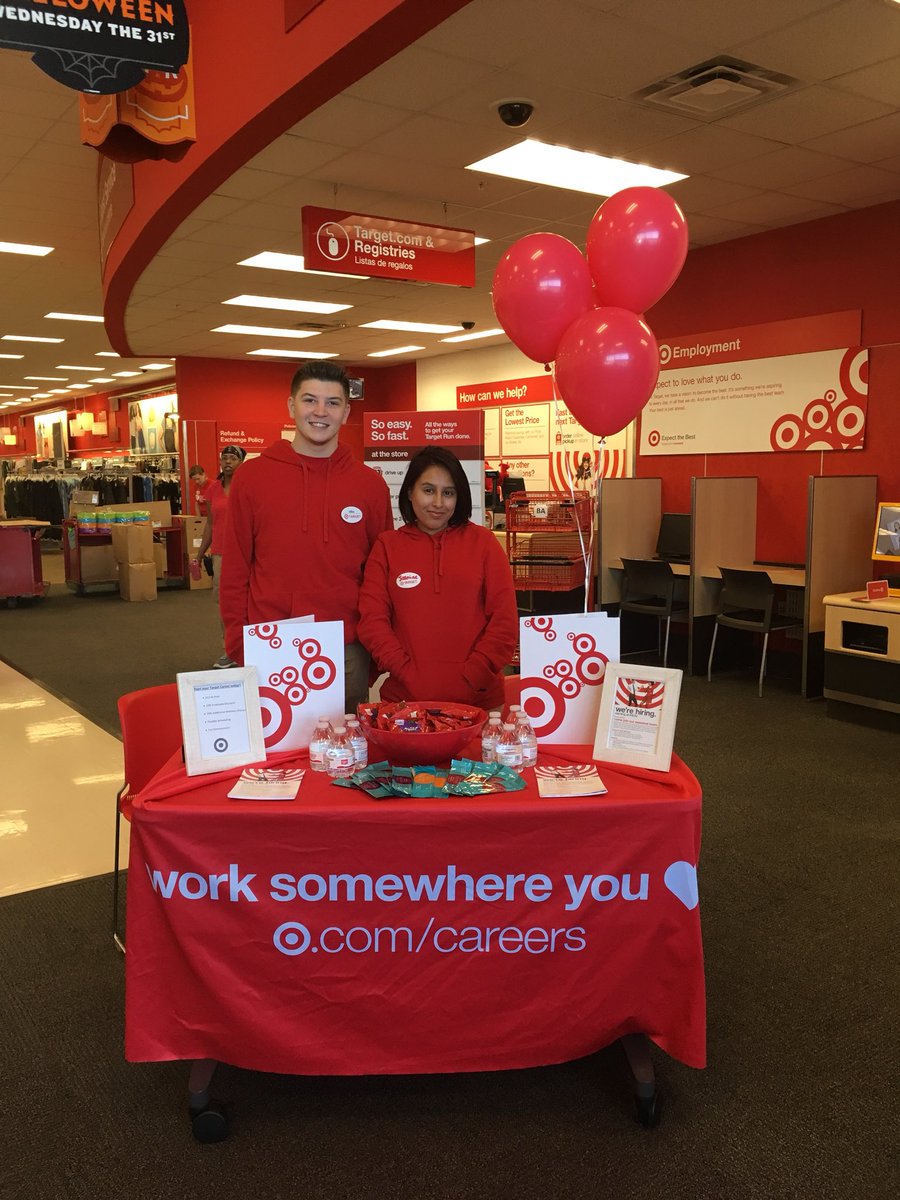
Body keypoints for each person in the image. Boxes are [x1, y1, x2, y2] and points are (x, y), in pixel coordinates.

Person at [219, 361, 393, 709]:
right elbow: (236, 568)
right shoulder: (251, 478)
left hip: (346, 647)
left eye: (332, 403)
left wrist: (373, 650)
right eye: (310, 400)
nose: (320, 411)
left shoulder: (370, 485)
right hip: (270, 643)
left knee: (344, 756)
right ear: (291, 406)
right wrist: (238, 643)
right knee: (275, 757)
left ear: (346, 412)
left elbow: (380, 576)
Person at [358, 446, 518, 710]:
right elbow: (372, 621)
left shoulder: (484, 543)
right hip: (404, 703)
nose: (438, 503)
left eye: (448, 493)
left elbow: (504, 622)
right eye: (428, 490)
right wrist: (405, 671)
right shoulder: (387, 546)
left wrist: (473, 675)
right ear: (410, 491)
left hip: (479, 701)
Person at [195, 445, 246, 668]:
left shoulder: (248, 486)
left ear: (241, 462)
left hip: (247, 554)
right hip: (221, 554)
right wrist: (198, 554)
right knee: (225, 605)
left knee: (250, 603)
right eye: (224, 458)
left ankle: (252, 649)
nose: (227, 462)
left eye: (232, 458)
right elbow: (210, 524)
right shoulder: (213, 490)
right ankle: (231, 650)